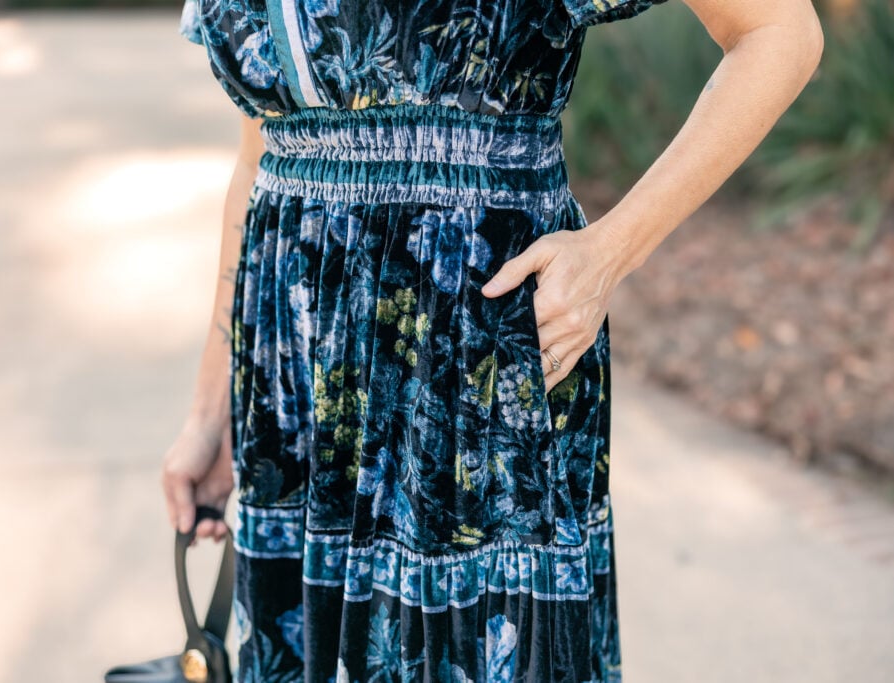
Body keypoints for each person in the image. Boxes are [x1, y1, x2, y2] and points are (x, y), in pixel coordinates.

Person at [162, 0, 823, 680]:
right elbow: (258, 155)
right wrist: (208, 414)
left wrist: (609, 251)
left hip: (469, 351)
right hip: (295, 380)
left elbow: (778, 32)